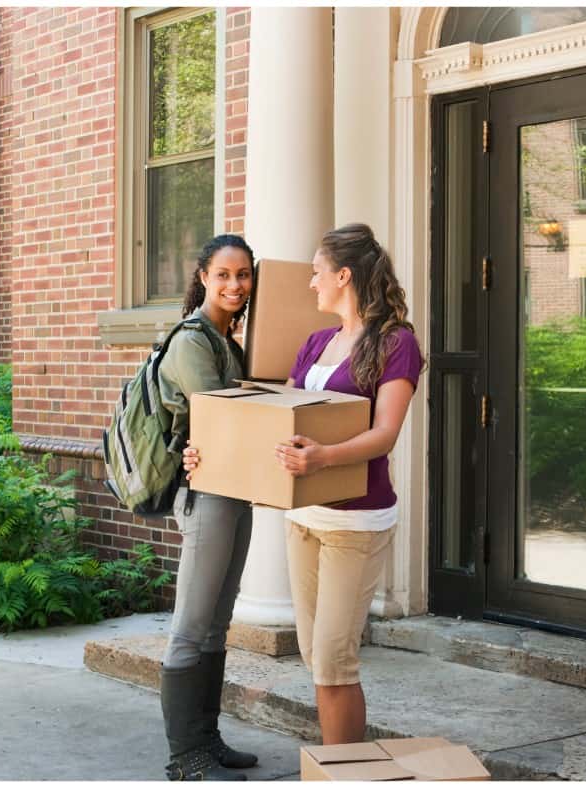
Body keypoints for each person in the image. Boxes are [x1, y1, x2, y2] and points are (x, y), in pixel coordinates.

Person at [183, 223, 422, 746]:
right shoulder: (315, 343)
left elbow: (384, 435)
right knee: (316, 656)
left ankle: (345, 773)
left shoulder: (395, 343)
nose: (310, 283)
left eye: (317, 273)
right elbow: (276, 417)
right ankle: (338, 766)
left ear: (343, 275)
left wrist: (324, 458)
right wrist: (208, 453)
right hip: (305, 518)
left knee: (335, 659)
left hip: (357, 520)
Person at [157, 234, 257, 781]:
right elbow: (218, 416)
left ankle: (207, 738)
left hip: (235, 489)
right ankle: (184, 756)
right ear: (202, 277)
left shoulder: (230, 341)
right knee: (191, 626)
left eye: (243, 275)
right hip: (205, 494)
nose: (234, 285)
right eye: (223, 275)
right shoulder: (193, 341)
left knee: (218, 624)